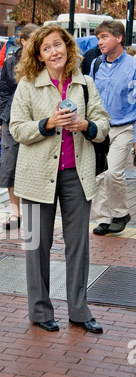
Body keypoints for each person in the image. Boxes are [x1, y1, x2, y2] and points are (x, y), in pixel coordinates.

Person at [9, 25, 110, 334]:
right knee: (36, 245)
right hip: (36, 177)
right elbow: (17, 129)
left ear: (68, 47)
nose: (54, 51)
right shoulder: (27, 85)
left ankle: (79, 312)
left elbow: (104, 123)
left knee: (78, 246)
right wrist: (47, 123)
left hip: (77, 176)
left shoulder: (85, 83)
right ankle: (40, 311)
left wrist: (86, 125)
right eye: (46, 48)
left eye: (58, 45)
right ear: (38, 56)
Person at [90, 21, 136, 235]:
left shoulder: (133, 66)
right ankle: (103, 219)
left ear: (119, 38)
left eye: (104, 37)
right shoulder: (96, 64)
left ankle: (120, 213)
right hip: (100, 128)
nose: (100, 42)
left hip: (124, 127)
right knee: (99, 175)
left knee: (114, 172)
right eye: (98, 38)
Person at [0, 24, 38, 230]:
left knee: (33, 166)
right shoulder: (11, 62)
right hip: (10, 119)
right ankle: (15, 213)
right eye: (34, 39)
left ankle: (33, 213)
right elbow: (4, 91)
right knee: (10, 164)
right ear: (23, 41)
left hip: (35, 119)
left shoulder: (43, 62)